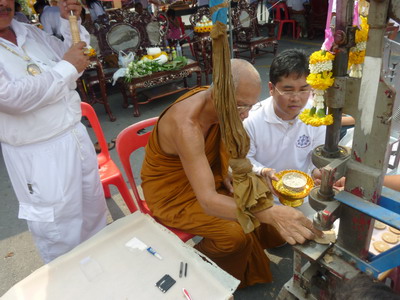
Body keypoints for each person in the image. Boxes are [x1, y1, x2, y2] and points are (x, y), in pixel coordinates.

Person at [141, 59, 322, 288]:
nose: (245, 115)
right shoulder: (187, 127)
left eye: (250, 106)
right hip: (173, 197)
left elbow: (218, 150)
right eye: (240, 107)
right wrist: (270, 213)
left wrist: (227, 171)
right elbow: (207, 201)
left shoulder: (212, 102)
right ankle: (194, 267)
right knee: (236, 233)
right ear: (217, 93)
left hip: (206, 177)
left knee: (259, 195)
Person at [0, 0, 108, 263]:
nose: (3, 4)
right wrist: (64, 69)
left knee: (92, 211)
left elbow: (77, 60)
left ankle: (102, 272)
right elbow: (10, 97)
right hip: (37, 153)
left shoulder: (30, 32)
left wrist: (67, 20)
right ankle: (70, 284)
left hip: (73, 136)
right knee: (58, 229)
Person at [244, 49, 325, 214]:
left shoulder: (315, 117)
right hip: (263, 195)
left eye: (304, 90)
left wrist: (319, 173)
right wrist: (262, 171)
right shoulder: (252, 120)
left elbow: (316, 158)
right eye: (288, 90)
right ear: (271, 89)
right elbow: (245, 158)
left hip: (302, 193)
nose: (296, 98)